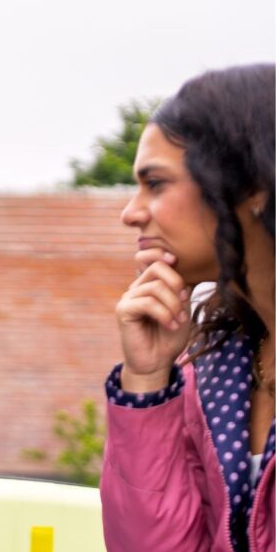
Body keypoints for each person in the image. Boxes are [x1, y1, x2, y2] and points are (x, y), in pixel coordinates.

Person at [101, 63, 275, 551]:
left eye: (156, 184)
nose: (130, 213)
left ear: (253, 186)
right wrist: (147, 380)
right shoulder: (215, 368)